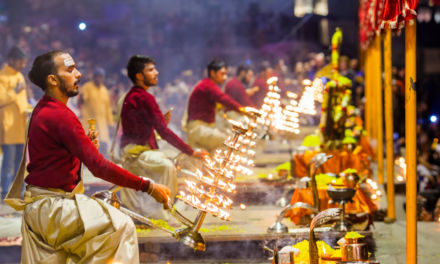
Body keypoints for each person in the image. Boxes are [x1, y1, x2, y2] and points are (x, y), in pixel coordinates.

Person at [4, 50, 170, 263]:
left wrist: (81, 148)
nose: (79, 74)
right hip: (55, 210)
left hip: (41, 210)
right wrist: (148, 186)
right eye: (70, 70)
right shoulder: (60, 115)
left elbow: (52, 157)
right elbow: (99, 166)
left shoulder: (43, 107)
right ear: (53, 80)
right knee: (121, 226)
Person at [118, 55, 208, 220]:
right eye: (151, 70)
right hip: (135, 153)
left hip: (134, 150)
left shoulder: (134, 95)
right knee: (167, 166)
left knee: (166, 162)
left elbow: (142, 127)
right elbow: (165, 132)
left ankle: (154, 211)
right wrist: (191, 152)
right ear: (139, 76)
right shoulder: (144, 97)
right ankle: (159, 214)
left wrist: (157, 124)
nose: (156, 73)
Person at [183, 59, 243, 153]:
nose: (225, 77)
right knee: (230, 142)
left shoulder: (206, 84)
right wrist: (243, 110)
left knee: (209, 157)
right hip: (199, 130)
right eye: (222, 73)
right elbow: (224, 99)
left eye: (225, 74)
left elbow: (221, 102)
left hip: (201, 129)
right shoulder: (208, 85)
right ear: (212, 73)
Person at [0, 45, 29, 201]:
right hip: (8, 126)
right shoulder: (2, 77)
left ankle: (18, 190)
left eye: (24, 62)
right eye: (20, 62)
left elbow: (21, 101)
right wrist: (14, 92)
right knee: (9, 162)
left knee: (20, 164)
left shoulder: (20, 76)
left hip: (20, 126)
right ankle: (4, 191)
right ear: (11, 60)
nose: (23, 66)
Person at [79, 67, 114, 158]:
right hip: (90, 123)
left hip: (102, 125)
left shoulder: (104, 90)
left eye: (101, 77)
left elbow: (108, 109)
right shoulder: (87, 87)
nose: (99, 79)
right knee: (89, 145)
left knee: (102, 147)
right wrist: (81, 98)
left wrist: (110, 123)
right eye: (97, 77)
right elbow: (82, 100)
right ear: (93, 77)